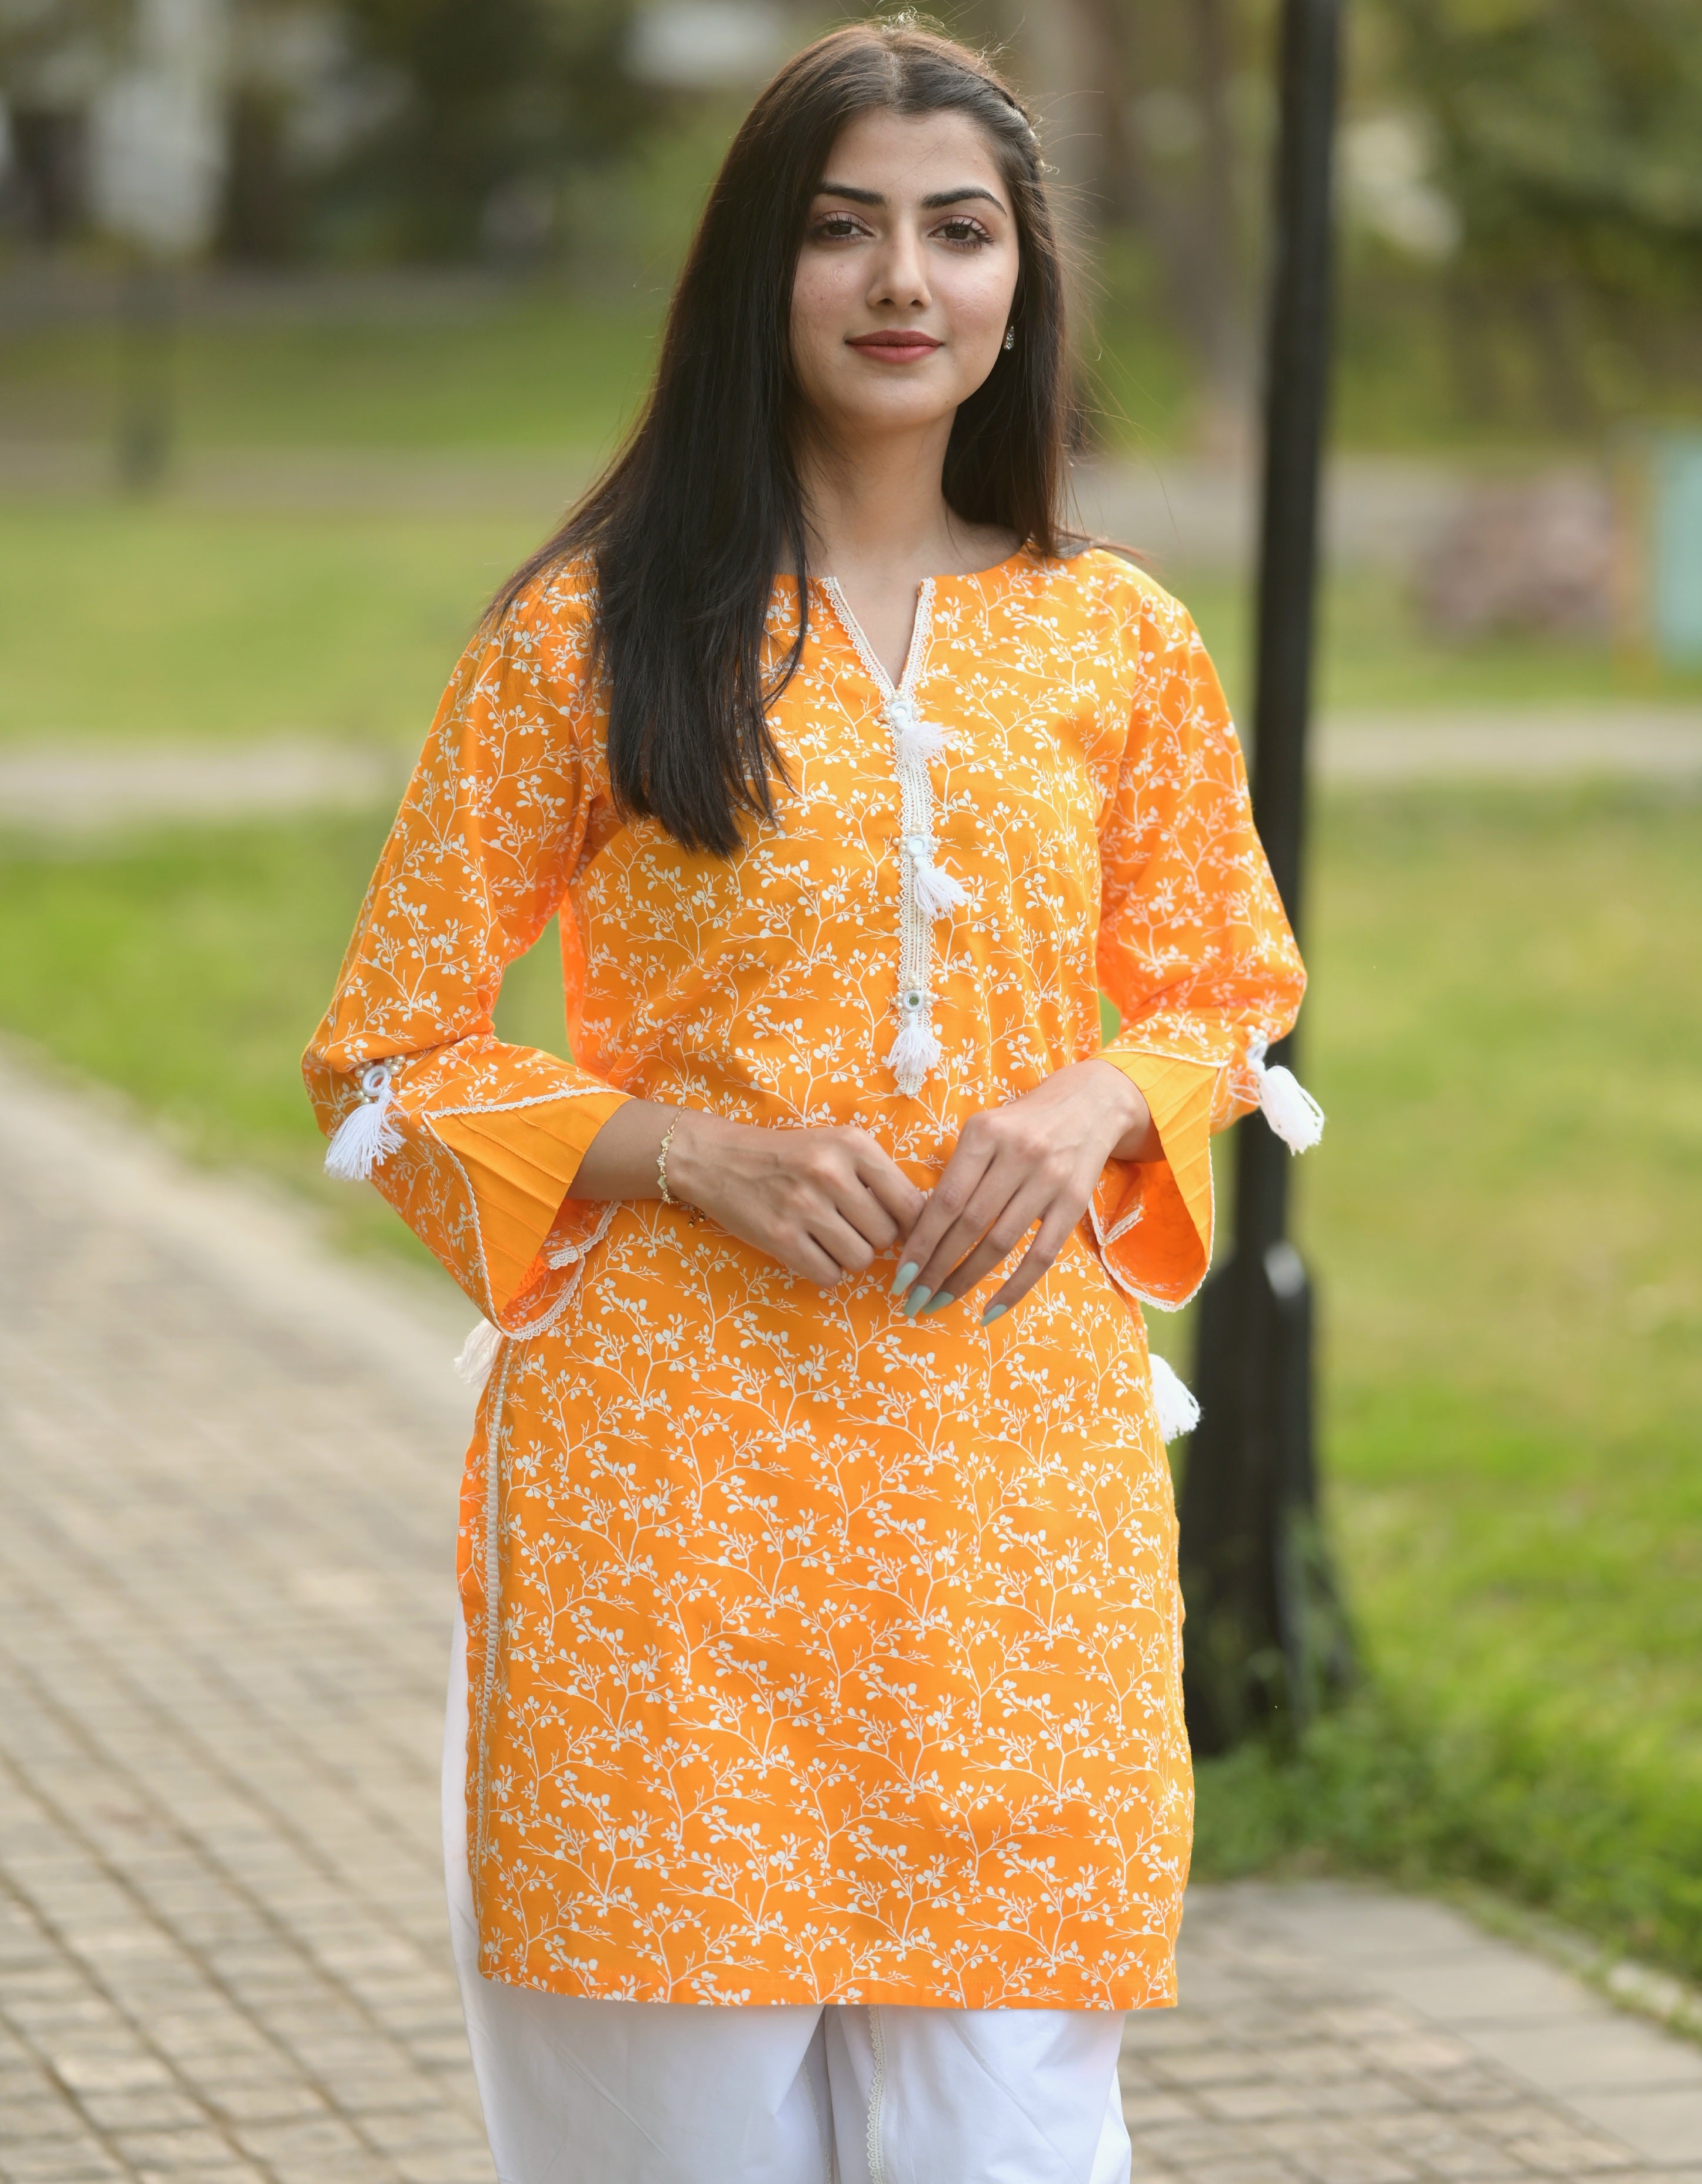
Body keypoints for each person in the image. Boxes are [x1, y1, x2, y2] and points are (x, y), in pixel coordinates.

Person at [305, 19, 1315, 2182]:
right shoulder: (588, 635)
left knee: (1008, 2135)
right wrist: (688, 1152)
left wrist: (1092, 1109)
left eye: (958, 233)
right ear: (760, 271)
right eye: (844, 229)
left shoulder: (1113, 640)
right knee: (667, 2126)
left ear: (1021, 285)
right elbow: (387, 1054)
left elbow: (1228, 987)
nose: (902, 281)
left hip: (1011, 1504)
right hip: (667, 1506)